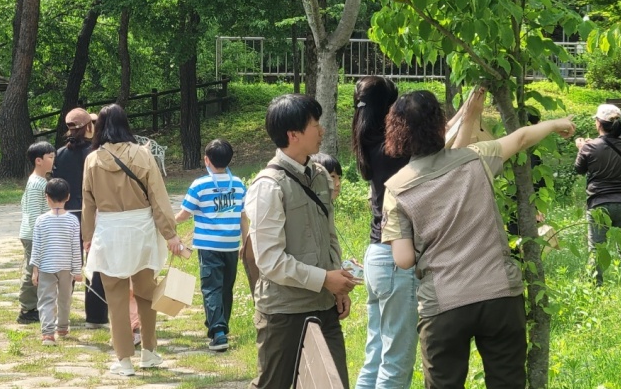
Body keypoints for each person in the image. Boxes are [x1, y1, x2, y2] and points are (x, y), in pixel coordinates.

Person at [381, 89, 575, 389]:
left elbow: (403, 259)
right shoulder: (476, 159)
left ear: (397, 131)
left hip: (444, 304)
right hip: (499, 294)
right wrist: (555, 123)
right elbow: (522, 138)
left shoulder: (396, 189)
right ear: (440, 123)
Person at [245, 93, 357, 389]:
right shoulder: (268, 187)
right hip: (284, 313)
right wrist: (324, 279)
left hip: (324, 305)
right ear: (293, 135)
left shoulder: (320, 175)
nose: (322, 131)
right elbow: (270, 262)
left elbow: (329, 235)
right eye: (314, 124)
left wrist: (338, 287)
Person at [82, 103, 183, 377]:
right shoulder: (142, 154)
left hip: (110, 232)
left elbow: (88, 204)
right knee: (146, 294)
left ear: (100, 127)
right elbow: (158, 198)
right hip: (141, 231)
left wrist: (88, 238)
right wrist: (170, 234)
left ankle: (124, 360)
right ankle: (149, 352)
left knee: (115, 299)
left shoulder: (92, 160)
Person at [350, 76, 418, 389]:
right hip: (395, 260)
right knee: (396, 361)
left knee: (375, 354)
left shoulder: (369, 143)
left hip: (377, 256)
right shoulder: (395, 151)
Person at [174, 139, 248, 352]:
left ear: (207, 160)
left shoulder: (200, 185)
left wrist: (167, 223)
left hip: (208, 246)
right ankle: (221, 326)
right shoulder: (239, 184)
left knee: (211, 287)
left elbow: (184, 215)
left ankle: (218, 331)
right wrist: (246, 242)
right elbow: (244, 218)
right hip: (231, 245)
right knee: (226, 287)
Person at [51, 108, 110, 330]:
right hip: (92, 214)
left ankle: (60, 313)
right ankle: (95, 316)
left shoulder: (58, 154)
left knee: (67, 265)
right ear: (88, 127)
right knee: (94, 264)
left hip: (67, 214)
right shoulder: (96, 154)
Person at [574, 103, 621, 287]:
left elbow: (579, 169)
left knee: (596, 249)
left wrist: (580, 147)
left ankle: (596, 286)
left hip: (599, 203)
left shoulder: (589, 147)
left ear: (598, 123)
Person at [30, 177, 83, 345]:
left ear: (47, 197)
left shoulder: (41, 220)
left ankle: (47, 333)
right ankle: (62, 327)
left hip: (46, 267)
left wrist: (35, 269)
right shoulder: (73, 220)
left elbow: (36, 247)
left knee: (46, 299)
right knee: (65, 298)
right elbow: (76, 247)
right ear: (68, 197)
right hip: (66, 268)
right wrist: (77, 270)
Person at [18, 140, 55, 324]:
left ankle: (34, 306)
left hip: (36, 234)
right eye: (50, 157)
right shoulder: (36, 184)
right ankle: (27, 309)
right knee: (32, 270)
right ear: (38, 161)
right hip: (33, 234)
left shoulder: (40, 181)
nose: (53, 160)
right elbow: (33, 213)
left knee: (36, 270)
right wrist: (38, 236)